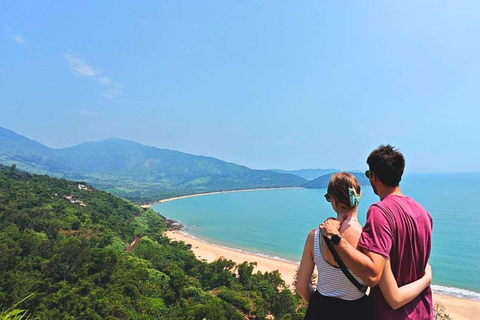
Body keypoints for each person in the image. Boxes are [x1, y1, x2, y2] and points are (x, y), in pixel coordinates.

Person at [297, 171, 431, 319]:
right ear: (358, 197)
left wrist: (322, 305)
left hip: (320, 311)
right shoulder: (368, 239)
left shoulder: (314, 236)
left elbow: (302, 287)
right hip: (356, 311)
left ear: (333, 201)